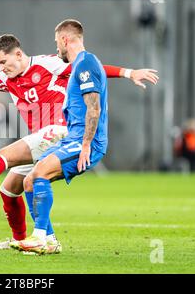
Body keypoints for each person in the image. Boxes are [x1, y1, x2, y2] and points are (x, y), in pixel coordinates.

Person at [0, 33, 158, 253]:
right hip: (43, 139)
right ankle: (26, 240)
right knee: (9, 188)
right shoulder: (7, 80)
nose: (2, 68)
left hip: (60, 131)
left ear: (18, 54)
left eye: (4, 62)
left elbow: (90, 69)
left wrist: (128, 72)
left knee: (2, 156)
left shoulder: (48, 64)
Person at [17, 19, 129, 254]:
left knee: (39, 173)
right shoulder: (80, 64)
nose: (57, 48)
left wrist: (86, 144)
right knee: (28, 181)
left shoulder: (86, 63)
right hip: (73, 139)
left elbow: (94, 107)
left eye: (57, 42)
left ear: (65, 39)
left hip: (86, 141)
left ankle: (38, 238)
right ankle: (50, 241)